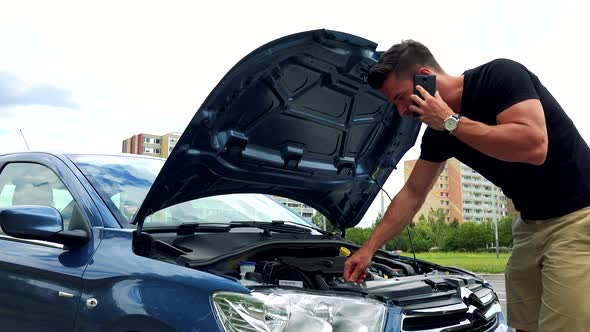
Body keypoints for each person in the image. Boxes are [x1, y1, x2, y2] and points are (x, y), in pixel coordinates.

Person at [343, 40, 590, 332]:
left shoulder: (499, 76)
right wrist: (368, 249)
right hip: (528, 228)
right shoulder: (437, 132)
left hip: (578, 218)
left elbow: (534, 146)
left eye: (400, 97)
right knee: (524, 327)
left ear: (425, 76)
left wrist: (451, 122)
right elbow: (412, 193)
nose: (400, 111)